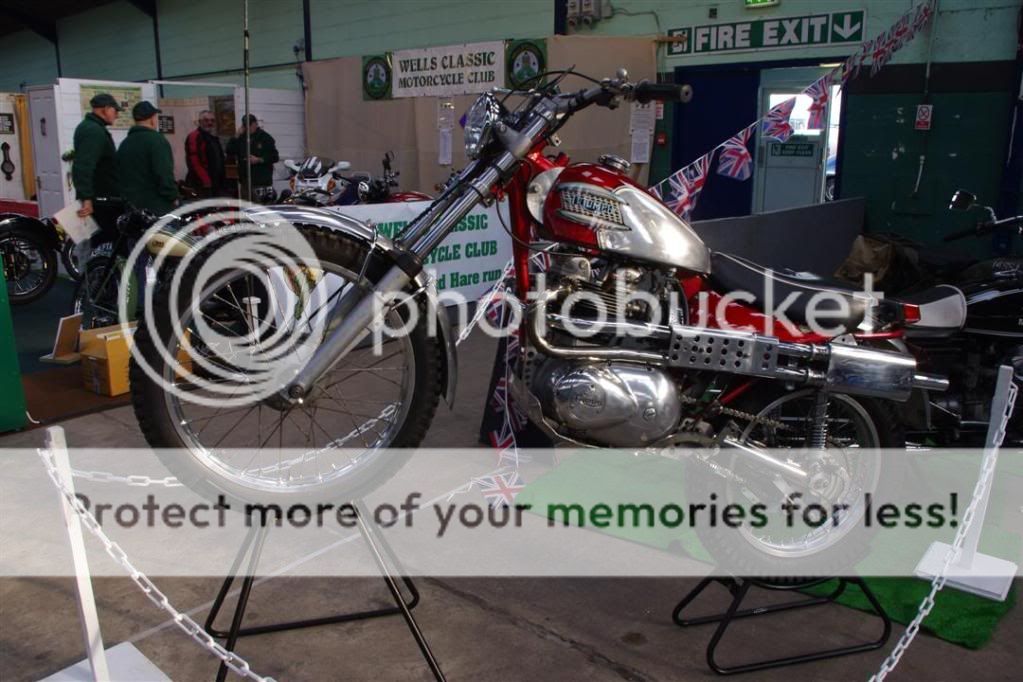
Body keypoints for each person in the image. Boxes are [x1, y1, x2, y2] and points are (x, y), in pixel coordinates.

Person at [72, 93, 122, 237]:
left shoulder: (89, 127)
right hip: (102, 201)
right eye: (115, 110)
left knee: (102, 243)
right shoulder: (94, 131)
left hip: (100, 198)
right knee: (106, 242)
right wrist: (86, 198)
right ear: (105, 109)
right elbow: (83, 166)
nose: (117, 115)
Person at [115, 101, 179, 215]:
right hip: (157, 206)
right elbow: (164, 173)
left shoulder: (125, 143)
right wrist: (173, 197)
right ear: (152, 119)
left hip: (131, 207)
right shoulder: (157, 140)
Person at [227, 114, 279, 201]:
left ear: (255, 124)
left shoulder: (265, 138)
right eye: (245, 126)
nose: (247, 128)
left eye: (249, 125)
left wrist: (259, 160)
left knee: (262, 208)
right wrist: (236, 136)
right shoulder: (241, 137)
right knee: (247, 208)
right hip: (245, 181)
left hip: (262, 181)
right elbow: (229, 150)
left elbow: (275, 157)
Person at [185, 110, 225, 197]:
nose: (209, 123)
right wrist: (205, 181)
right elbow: (194, 161)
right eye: (206, 120)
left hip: (215, 184)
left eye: (212, 120)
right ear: (200, 122)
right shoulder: (194, 136)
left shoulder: (213, 139)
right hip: (202, 185)